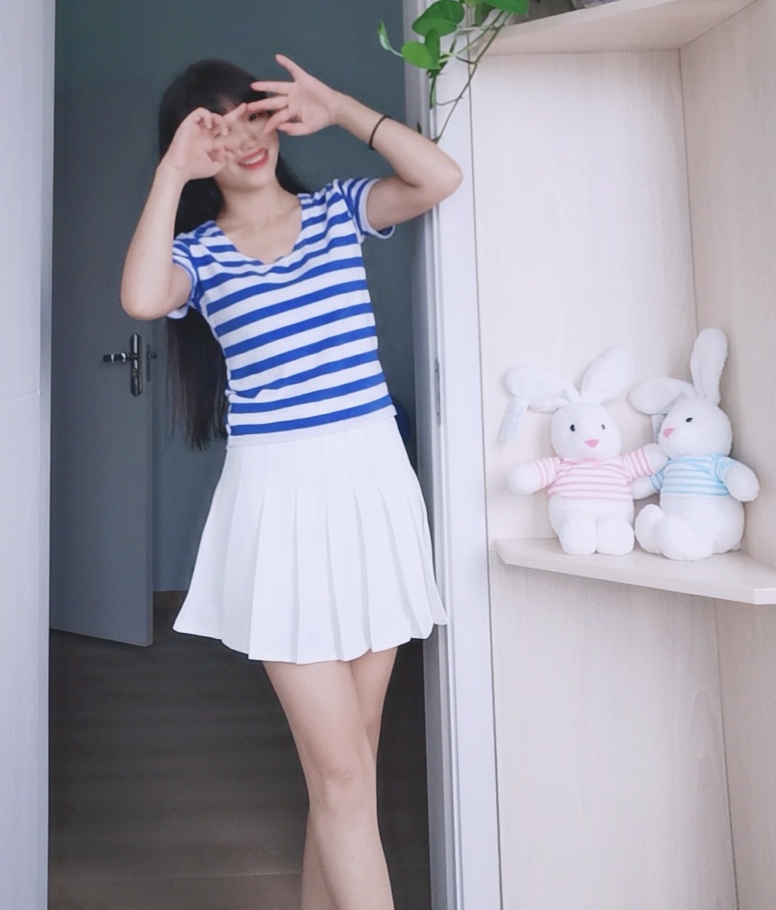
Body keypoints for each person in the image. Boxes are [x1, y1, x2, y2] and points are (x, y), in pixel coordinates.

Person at [120, 53, 462, 910]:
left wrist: (339, 107)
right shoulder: (198, 255)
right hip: (278, 507)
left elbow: (439, 177)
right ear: (194, 149)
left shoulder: (338, 210)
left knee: (348, 770)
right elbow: (140, 297)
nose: (243, 138)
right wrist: (172, 171)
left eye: (251, 114)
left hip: (371, 491)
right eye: (216, 128)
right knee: (342, 776)